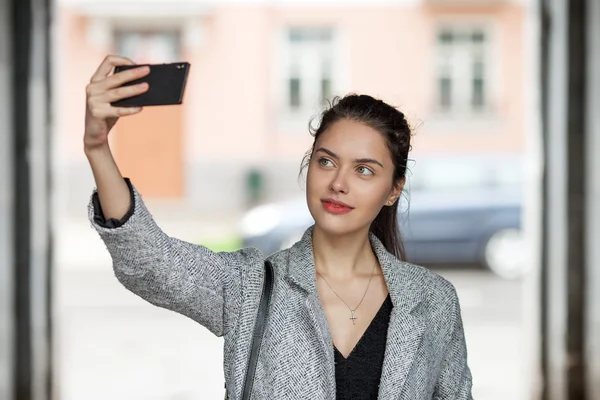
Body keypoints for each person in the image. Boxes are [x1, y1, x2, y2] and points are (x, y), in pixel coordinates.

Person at [84, 55, 473, 400]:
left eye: (364, 170)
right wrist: (98, 148)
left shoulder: (434, 302)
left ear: (393, 190)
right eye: (326, 162)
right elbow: (150, 261)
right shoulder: (251, 285)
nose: (339, 182)